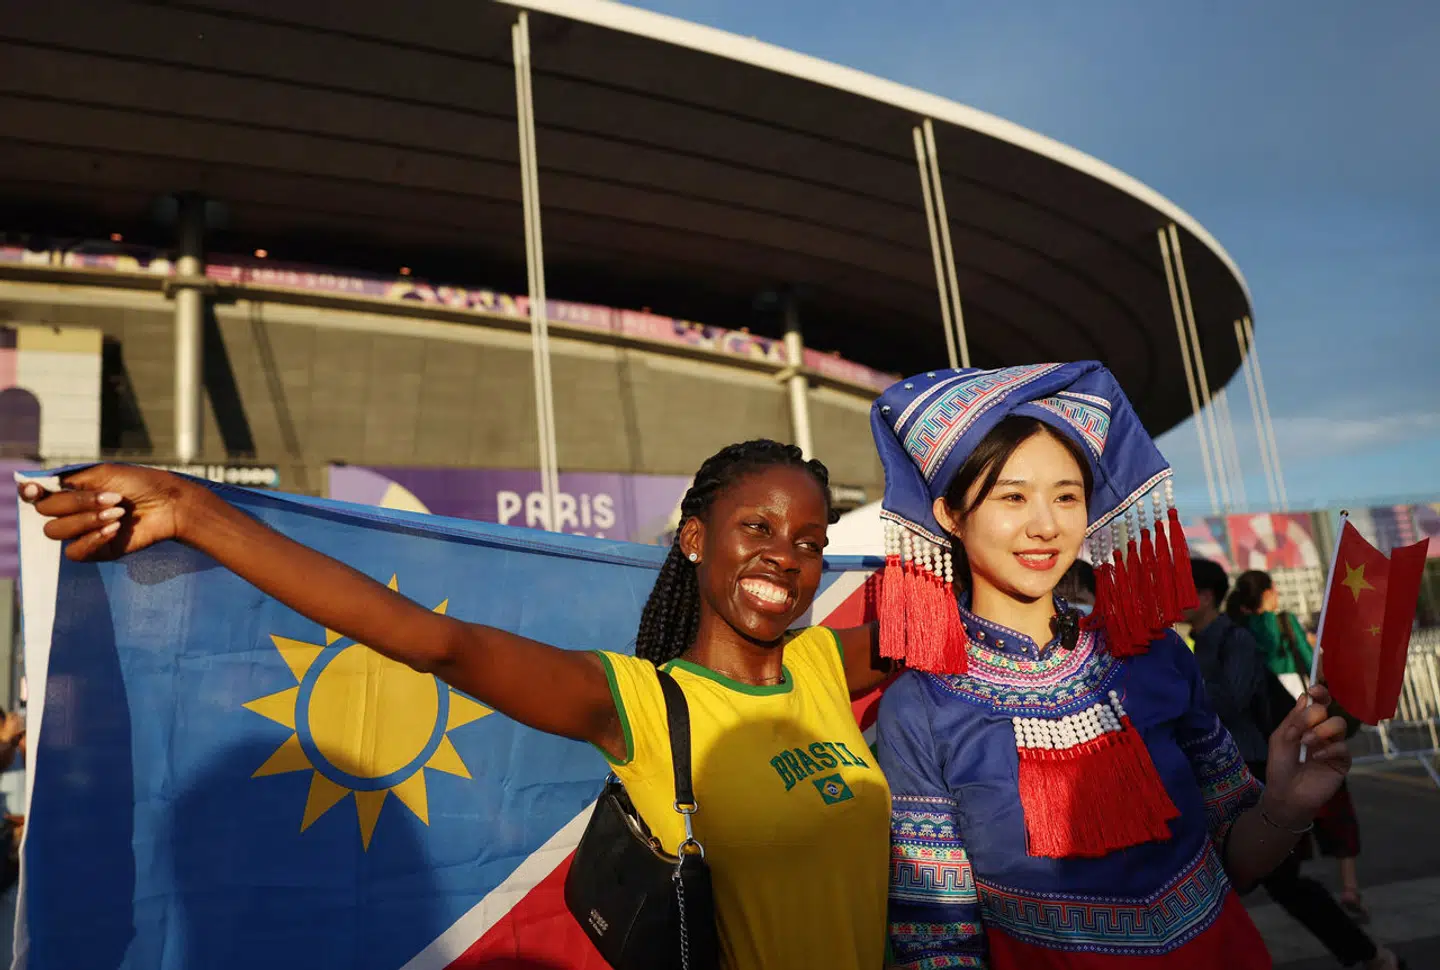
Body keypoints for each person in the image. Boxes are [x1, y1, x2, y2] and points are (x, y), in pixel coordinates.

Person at [22, 440, 895, 970]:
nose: (788, 556)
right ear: (698, 539)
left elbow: (982, 613)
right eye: (760, 529)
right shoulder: (637, 701)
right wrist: (194, 511)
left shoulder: (825, 663)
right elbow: (434, 642)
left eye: (812, 541)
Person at [867, 362, 1376, 969]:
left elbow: (1238, 860)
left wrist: (1288, 807)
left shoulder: (1154, 656)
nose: (1047, 525)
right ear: (950, 514)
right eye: (1012, 497)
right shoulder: (922, 705)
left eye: (1066, 496)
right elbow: (937, 942)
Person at [1228, 568, 1374, 927]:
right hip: (1303, 714)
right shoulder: (1283, 622)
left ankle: (1290, 876)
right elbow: (1311, 665)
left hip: (1266, 733)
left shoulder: (1235, 632)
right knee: (1335, 801)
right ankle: (1350, 888)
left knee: (1286, 808)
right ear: (1266, 593)